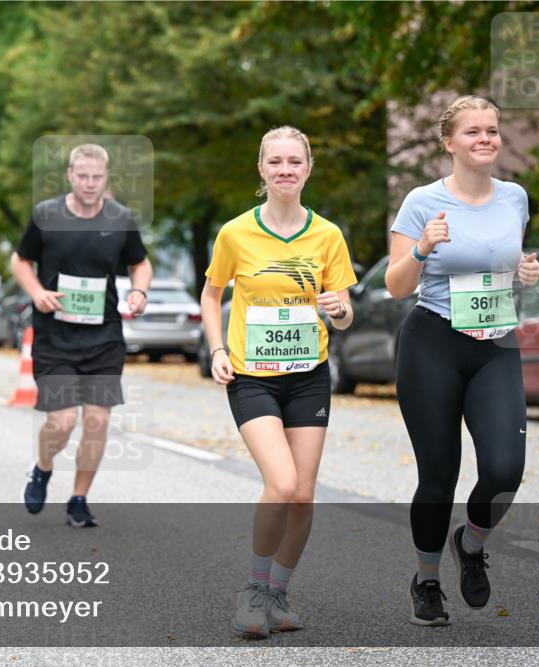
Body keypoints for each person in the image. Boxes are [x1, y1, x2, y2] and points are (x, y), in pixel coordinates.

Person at [385, 96, 539, 627]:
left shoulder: (515, 198)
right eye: (473, 131)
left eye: (492, 130)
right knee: (439, 475)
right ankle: (427, 581)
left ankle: (470, 544)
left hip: (495, 343)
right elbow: (396, 286)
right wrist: (422, 248)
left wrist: (524, 274)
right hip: (433, 343)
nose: (485, 139)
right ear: (449, 142)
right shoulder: (422, 202)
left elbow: (503, 264)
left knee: (505, 469)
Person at [200, 126, 357, 638]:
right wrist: (217, 349)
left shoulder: (327, 235)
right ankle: (252, 589)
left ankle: (277, 593)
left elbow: (344, 314)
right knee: (282, 484)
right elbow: (211, 295)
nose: (285, 170)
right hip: (253, 377)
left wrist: (338, 310)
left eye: (294, 161)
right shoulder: (235, 233)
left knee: (304, 495)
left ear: (308, 169)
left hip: (309, 376)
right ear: (262, 169)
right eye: (276, 161)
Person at [12, 143, 152, 528]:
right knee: (61, 422)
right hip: (54, 337)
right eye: (83, 176)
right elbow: (20, 260)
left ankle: (78, 499)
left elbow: (140, 263)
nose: (90, 183)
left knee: (97, 422)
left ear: (106, 178)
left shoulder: (121, 219)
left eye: (97, 177)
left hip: (104, 338)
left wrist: (139, 291)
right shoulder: (47, 215)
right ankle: (42, 467)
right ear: (70, 176)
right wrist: (37, 292)